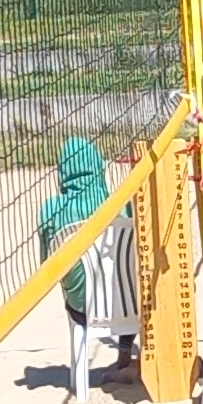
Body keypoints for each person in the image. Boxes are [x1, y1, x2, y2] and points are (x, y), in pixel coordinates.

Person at [48, 137, 136, 380]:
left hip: (82, 309)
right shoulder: (121, 204)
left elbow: (47, 267)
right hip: (128, 306)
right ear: (98, 166)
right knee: (130, 279)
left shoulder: (50, 210)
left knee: (74, 281)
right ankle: (126, 352)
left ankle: (84, 375)